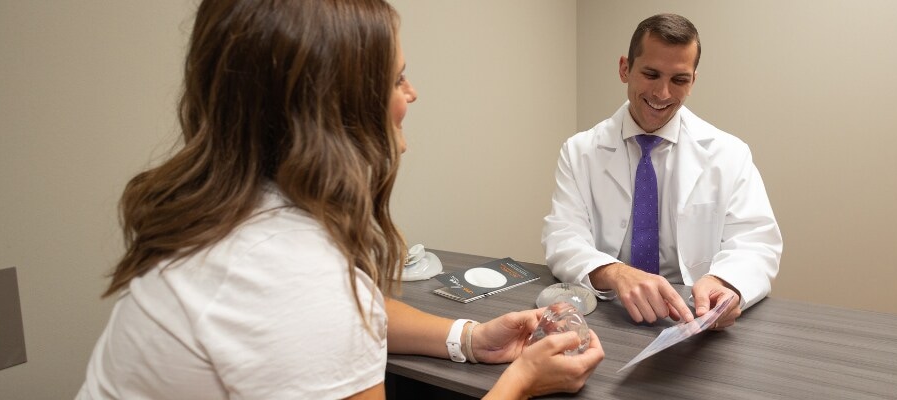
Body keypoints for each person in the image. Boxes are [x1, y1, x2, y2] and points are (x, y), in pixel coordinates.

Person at [76, 0, 603, 398]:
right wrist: (522, 382)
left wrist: (469, 337)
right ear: (336, 108)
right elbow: (319, 309)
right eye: (398, 78)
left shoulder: (234, 218)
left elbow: (353, 313)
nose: (412, 94)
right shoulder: (295, 276)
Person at [542, 13, 782, 330]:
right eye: (651, 74)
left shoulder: (729, 153)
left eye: (679, 80)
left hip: (694, 320)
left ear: (693, 81)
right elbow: (563, 238)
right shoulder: (579, 151)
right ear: (625, 69)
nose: (663, 93)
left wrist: (726, 283)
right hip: (611, 317)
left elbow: (756, 243)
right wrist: (616, 273)